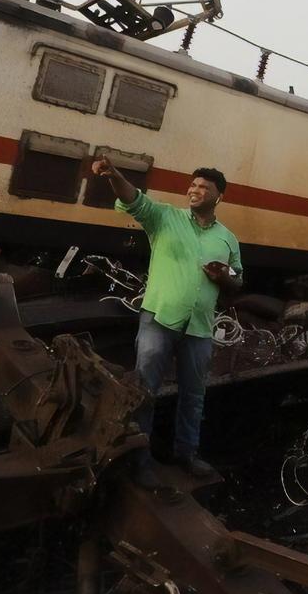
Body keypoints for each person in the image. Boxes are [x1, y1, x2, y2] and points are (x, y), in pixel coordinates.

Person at [92, 158, 243, 488]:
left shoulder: (228, 238)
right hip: (159, 320)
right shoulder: (164, 218)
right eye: (193, 185)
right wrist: (115, 175)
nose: (195, 190)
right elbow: (133, 199)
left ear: (220, 197)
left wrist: (226, 275)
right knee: (144, 392)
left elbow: (238, 278)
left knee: (194, 396)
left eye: (204, 187)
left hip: (200, 328)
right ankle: (139, 461)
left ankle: (186, 454)